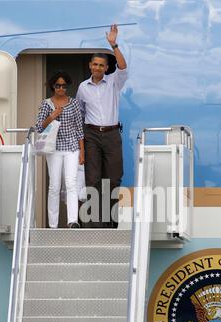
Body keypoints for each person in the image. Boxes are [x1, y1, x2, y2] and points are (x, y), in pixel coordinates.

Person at [76, 24, 128, 228]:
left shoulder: (114, 82)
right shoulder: (82, 87)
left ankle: (110, 223)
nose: (97, 68)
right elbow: (80, 115)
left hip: (112, 134)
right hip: (91, 136)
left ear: (106, 68)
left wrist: (114, 45)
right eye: (94, 64)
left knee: (114, 179)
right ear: (90, 65)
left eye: (101, 65)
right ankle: (93, 225)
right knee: (93, 179)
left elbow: (123, 67)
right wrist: (80, 145)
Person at [36, 71, 85, 229]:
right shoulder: (46, 104)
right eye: (58, 85)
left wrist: (82, 152)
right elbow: (39, 127)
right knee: (54, 186)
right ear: (53, 86)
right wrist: (52, 116)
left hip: (72, 148)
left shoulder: (74, 103)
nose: (61, 88)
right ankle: (53, 225)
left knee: (71, 184)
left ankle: (72, 221)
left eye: (64, 86)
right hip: (53, 149)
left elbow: (79, 129)